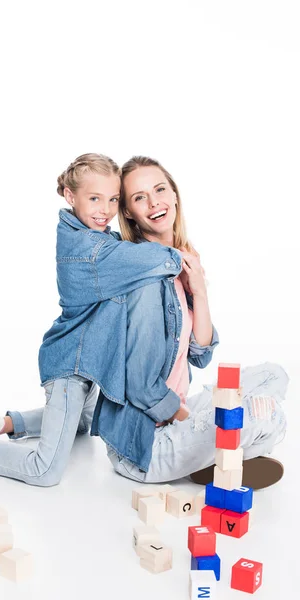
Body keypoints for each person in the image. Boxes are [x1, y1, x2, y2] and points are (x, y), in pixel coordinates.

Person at [0, 153, 186, 486]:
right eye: (94, 198)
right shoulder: (90, 250)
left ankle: (2, 423)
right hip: (70, 367)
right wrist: (185, 259)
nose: (105, 209)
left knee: (82, 427)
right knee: (44, 469)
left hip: (91, 366)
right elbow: (160, 258)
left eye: (113, 199)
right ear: (71, 197)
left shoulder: (99, 238)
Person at [91, 156, 288, 489]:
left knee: (275, 376)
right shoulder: (146, 277)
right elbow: (139, 385)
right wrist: (192, 419)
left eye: (160, 189)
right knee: (268, 416)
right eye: (140, 197)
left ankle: (208, 454)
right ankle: (213, 452)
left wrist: (198, 289)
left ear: (175, 195)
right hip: (145, 445)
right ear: (128, 212)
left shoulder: (177, 263)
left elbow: (200, 353)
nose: (154, 202)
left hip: (176, 414)